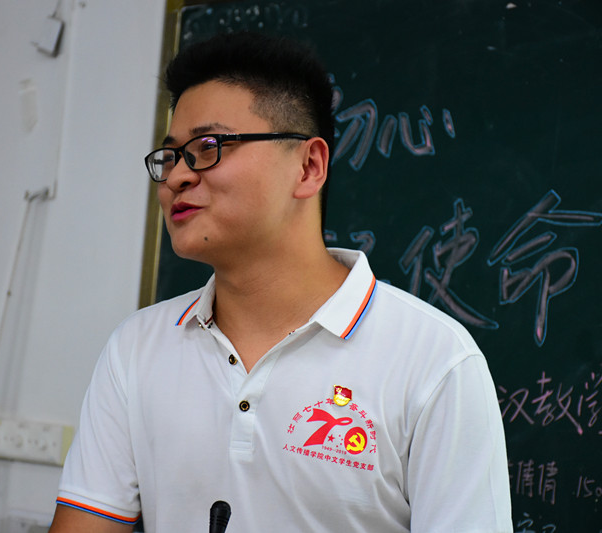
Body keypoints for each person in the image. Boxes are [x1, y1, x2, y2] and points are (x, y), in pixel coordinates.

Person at [48, 31, 512, 533]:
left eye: (208, 147)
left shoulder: (434, 362)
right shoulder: (137, 348)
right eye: (170, 156)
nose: (177, 176)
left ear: (309, 166)